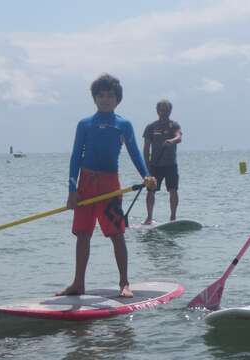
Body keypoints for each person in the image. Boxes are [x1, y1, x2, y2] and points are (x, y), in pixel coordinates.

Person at [58, 74, 156, 298]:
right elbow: (75, 158)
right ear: (94, 98)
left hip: (110, 185)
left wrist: (146, 176)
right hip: (85, 183)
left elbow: (134, 153)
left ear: (117, 99)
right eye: (100, 95)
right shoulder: (85, 124)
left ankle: (124, 283)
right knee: (83, 234)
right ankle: (78, 283)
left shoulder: (123, 125)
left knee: (116, 234)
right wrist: (72, 190)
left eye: (110, 95)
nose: (105, 99)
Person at [142, 99, 182, 224]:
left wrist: (172, 141)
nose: (164, 112)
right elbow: (146, 146)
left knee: (173, 190)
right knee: (151, 191)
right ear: (157, 111)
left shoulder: (174, 125)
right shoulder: (151, 127)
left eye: (166, 110)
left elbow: (179, 137)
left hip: (170, 165)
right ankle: (149, 217)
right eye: (161, 110)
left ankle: (173, 217)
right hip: (155, 165)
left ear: (170, 111)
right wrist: (147, 165)